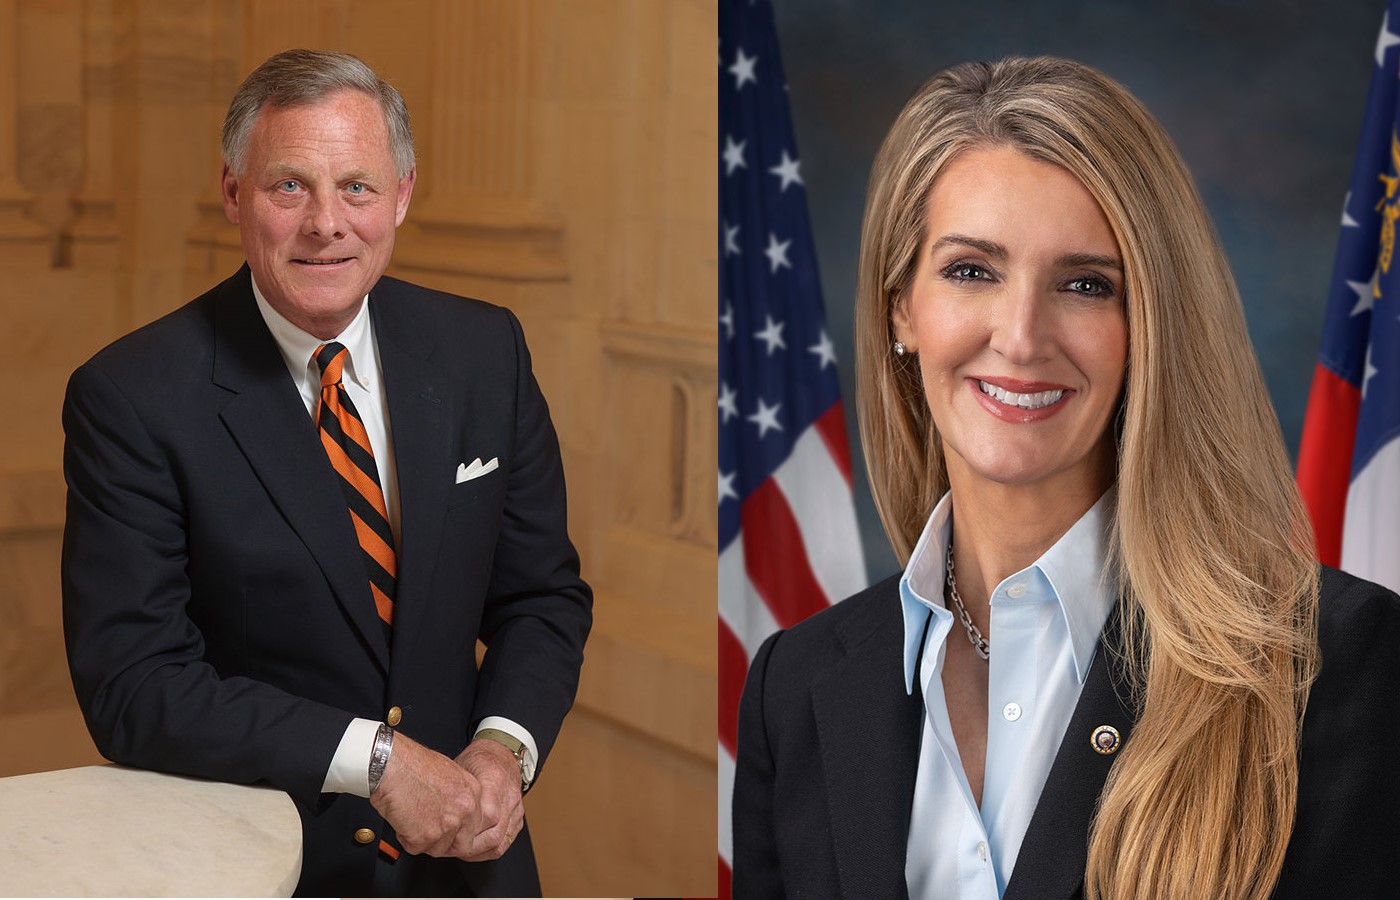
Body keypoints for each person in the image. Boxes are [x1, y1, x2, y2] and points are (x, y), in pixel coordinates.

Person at [731, 56, 1400, 900]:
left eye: (1085, 285)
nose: (1020, 336)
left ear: (1149, 324)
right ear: (901, 305)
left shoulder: (1327, 662)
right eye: (971, 270)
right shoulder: (793, 687)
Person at [61, 49, 592, 897]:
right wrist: (374, 761)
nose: (325, 223)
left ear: (403, 195)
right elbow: (136, 686)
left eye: (357, 186)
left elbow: (540, 597)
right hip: (265, 870)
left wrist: (503, 746)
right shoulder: (132, 397)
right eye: (288, 187)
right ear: (234, 193)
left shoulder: (485, 352)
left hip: (469, 874)